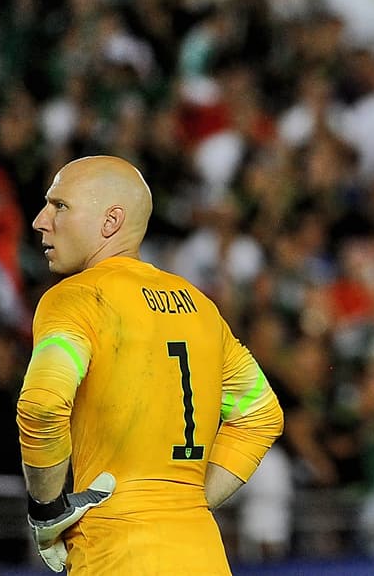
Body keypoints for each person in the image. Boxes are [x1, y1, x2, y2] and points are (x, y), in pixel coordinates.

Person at [16, 156, 284, 573]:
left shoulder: (75, 299)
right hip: (202, 553)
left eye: (59, 206)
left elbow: (42, 403)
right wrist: (183, 501)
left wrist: (47, 510)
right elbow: (261, 414)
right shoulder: (200, 307)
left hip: (116, 550)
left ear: (110, 221)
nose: (39, 220)